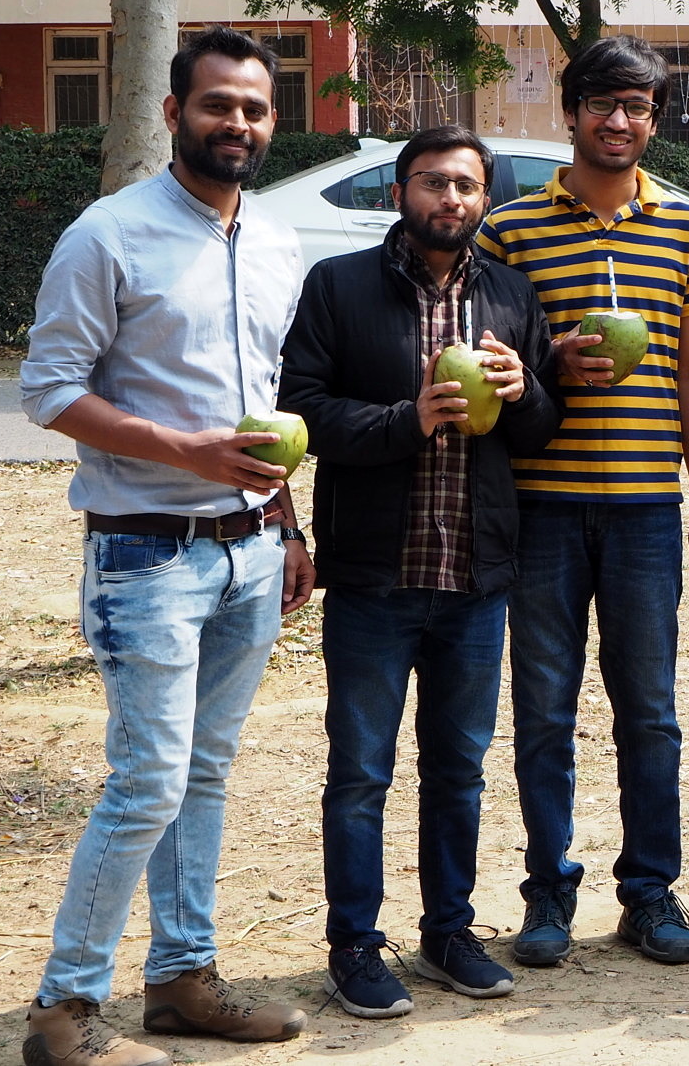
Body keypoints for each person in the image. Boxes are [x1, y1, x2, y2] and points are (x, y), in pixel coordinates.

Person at [18, 28, 312, 1066]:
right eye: (217, 104)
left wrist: (285, 521)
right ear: (173, 112)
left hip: (247, 554)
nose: (237, 123)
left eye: (255, 108)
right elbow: (48, 390)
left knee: (206, 773)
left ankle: (182, 978)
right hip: (144, 555)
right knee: (148, 778)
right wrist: (180, 447)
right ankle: (64, 1007)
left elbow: (267, 406)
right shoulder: (108, 235)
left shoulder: (277, 243)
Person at [279, 126, 559, 1018]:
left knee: (460, 770)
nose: (451, 200)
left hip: (475, 580)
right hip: (374, 575)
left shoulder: (512, 296)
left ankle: (448, 932)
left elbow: (542, 432)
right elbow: (304, 411)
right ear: (400, 191)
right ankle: (355, 946)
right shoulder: (339, 286)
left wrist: (523, 394)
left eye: (468, 187)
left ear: (487, 200)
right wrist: (410, 418)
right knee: (360, 772)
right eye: (434, 182)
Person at [475, 36, 689, 969]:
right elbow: (491, 364)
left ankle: (651, 891)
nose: (618, 123)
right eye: (601, 105)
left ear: (656, 119)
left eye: (638, 107)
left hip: (644, 512)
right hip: (539, 506)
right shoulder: (510, 231)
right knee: (543, 707)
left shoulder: (686, 230)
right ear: (569, 110)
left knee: (649, 711)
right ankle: (548, 891)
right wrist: (550, 364)